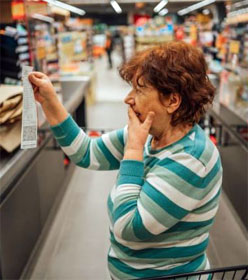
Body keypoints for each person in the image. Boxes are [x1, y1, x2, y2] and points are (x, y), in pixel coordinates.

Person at [29, 41, 222, 280]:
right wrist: (49, 101)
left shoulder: (191, 159)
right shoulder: (150, 134)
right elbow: (86, 152)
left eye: (139, 90)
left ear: (172, 101)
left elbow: (128, 227)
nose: (128, 99)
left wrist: (133, 150)